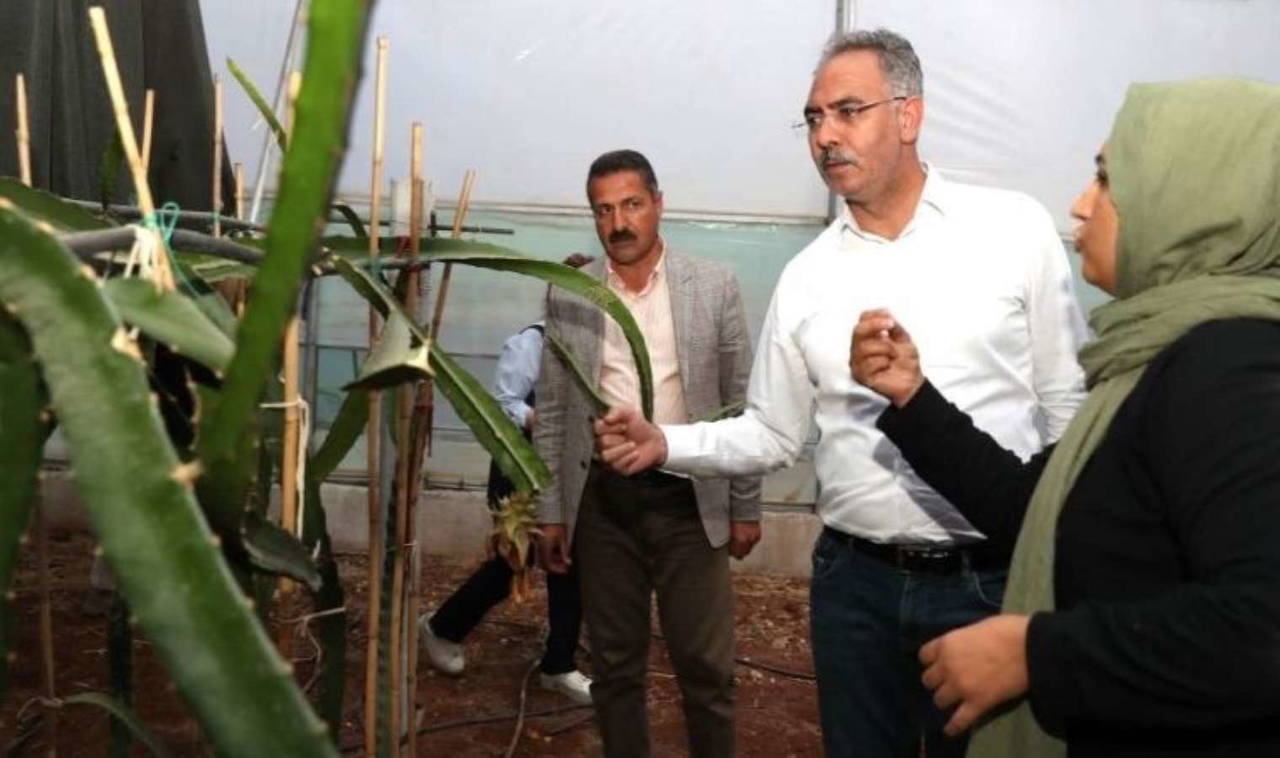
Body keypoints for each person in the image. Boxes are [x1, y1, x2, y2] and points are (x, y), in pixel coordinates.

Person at [593, 29, 1087, 758]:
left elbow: (1068, 408)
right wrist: (665, 442)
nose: (825, 136)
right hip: (854, 589)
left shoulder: (1014, 232)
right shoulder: (807, 278)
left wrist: (1067, 562)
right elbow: (774, 432)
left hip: (987, 582)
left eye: (848, 111)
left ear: (909, 115)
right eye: (813, 118)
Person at [850, 78, 1280, 758]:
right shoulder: (1152, 357)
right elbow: (1037, 508)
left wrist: (1037, 653)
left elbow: (1264, 626)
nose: (1081, 205)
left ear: (1192, 200)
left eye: (1108, 179)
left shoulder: (1230, 367)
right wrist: (912, 395)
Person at [534, 149, 762, 758]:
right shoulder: (570, 293)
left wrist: (745, 505)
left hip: (691, 498)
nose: (619, 223)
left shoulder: (712, 286)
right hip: (605, 506)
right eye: (604, 210)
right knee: (615, 667)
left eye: (632, 204)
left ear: (659, 204)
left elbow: (742, 403)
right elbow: (553, 409)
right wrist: (551, 512)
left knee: (706, 668)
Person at [418, 254, 595, 705]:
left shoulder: (596, 347)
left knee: (570, 562)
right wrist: (540, 419)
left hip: (568, 471)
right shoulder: (531, 342)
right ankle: (442, 627)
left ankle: (559, 663)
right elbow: (503, 404)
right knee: (514, 560)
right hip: (522, 468)